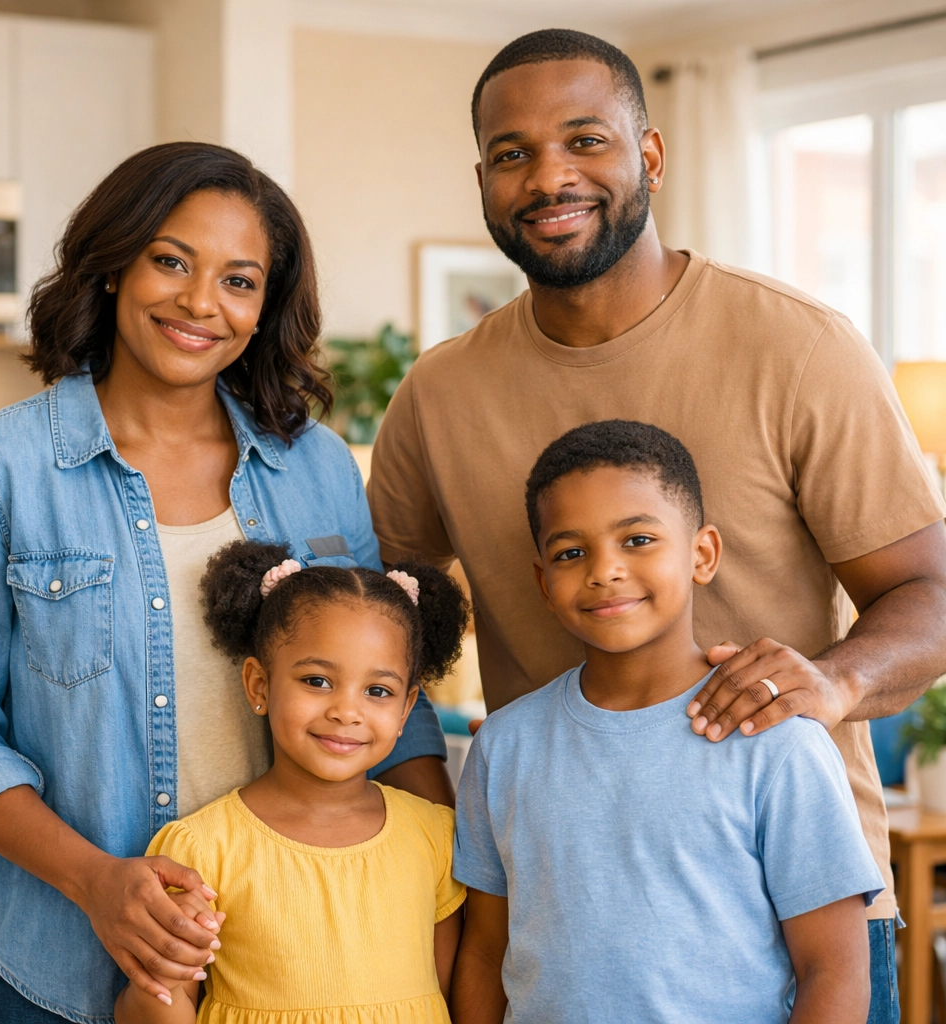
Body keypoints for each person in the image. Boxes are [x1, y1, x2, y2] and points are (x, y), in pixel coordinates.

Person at [367, 30, 946, 1019]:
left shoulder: (797, 347)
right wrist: (433, 800)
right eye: (512, 154)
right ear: (482, 181)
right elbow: (382, 623)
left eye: (584, 140)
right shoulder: (437, 393)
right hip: (562, 926)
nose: (548, 176)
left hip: (796, 916)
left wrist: (835, 680)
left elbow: (929, 589)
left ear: (650, 155)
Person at [0, 142, 451, 1024]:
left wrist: (453, 870)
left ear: (265, 307)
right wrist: (98, 884)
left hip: (294, 963)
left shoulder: (314, 465)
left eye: (240, 281)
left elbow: (394, 687)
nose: (202, 302)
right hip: (57, 958)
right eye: (172, 261)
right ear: (114, 265)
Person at [451, 420, 884, 1024]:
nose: (605, 571)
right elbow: (484, 952)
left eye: (638, 540)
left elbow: (834, 971)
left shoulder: (777, 741)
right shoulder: (504, 747)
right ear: (543, 584)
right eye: (571, 553)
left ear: (702, 554)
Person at [114, 545, 468, 1023]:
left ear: (406, 709)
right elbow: (154, 1010)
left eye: (378, 691)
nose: (346, 711)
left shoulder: (434, 837)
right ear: (260, 685)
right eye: (318, 681)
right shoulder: (200, 850)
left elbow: (445, 997)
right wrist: (170, 977)